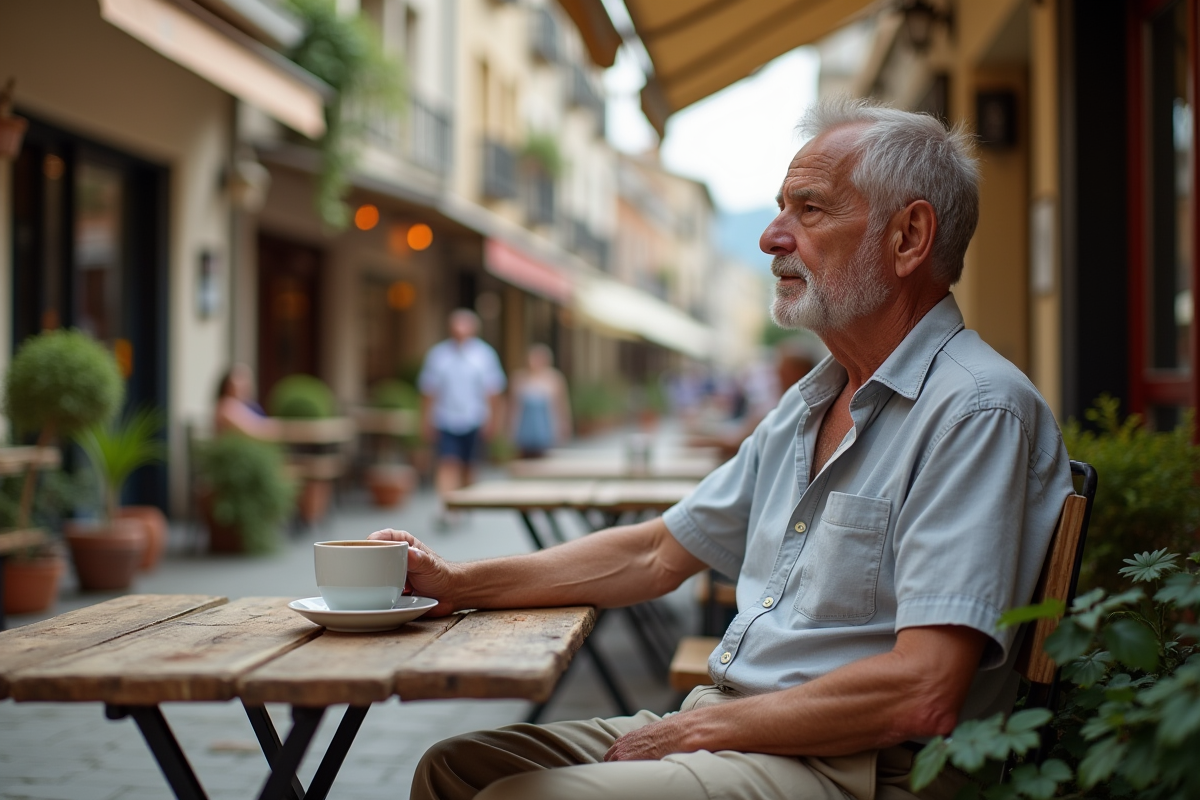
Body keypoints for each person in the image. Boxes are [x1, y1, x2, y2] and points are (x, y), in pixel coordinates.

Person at [372, 98, 1075, 800]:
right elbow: (655, 552)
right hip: (745, 730)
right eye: (780, 209)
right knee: (454, 768)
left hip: (862, 768)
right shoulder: (810, 404)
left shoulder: (976, 410)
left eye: (810, 210)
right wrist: (456, 584)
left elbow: (922, 689)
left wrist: (691, 733)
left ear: (908, 237)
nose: (772, 237)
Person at [418, 309, 506, 523]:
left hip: (474, 419)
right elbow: (429, 391)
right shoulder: (439, 355)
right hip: (446, 419)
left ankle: (466, 506)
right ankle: (446, 507)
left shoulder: (484, 356)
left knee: (469, 465)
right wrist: (426, 420)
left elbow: (493, 392)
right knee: (448, 463)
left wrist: (494, 421)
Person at [509, 343, 572, 459]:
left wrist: (564, 424)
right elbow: (513, 405)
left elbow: (562, 404)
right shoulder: (519, 378)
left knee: (545, 455)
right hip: (525, 426)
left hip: (546, 425)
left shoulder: (554, 378)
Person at [213, 363, 279, 440]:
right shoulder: (227, 405)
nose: (244, 385)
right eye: (240, 380)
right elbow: (256, 431)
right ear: (227, 386)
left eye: (247, 380)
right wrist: (289, 430)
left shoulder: (250, 405)